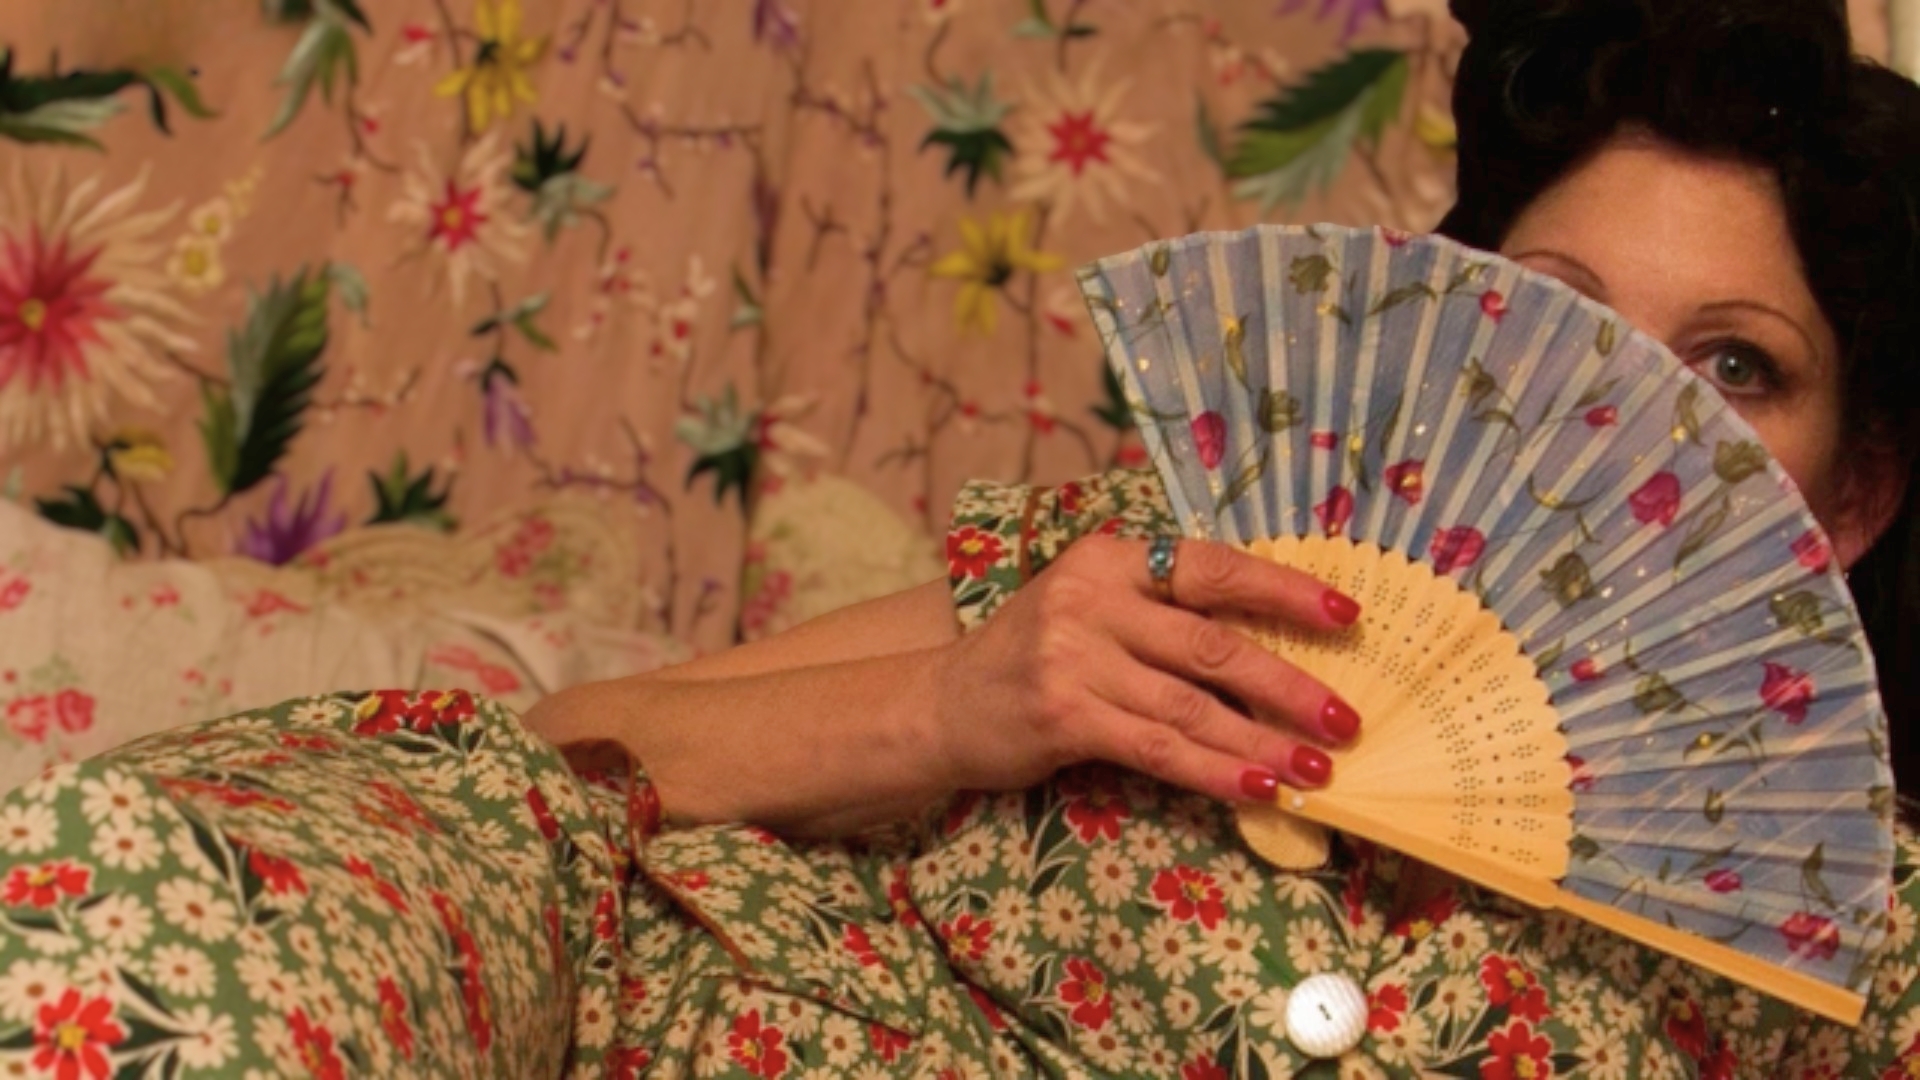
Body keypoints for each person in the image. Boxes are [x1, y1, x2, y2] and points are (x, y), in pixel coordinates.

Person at [3, 0, 1919, 1076]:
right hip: (638, 1017)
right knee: (146, 900)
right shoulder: (1152, 571)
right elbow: (549, 768)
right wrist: (952, 705)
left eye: (1732, 369)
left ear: (1849, 497)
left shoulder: (1856, 940)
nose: (1618, 421)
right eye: (1554, 321)